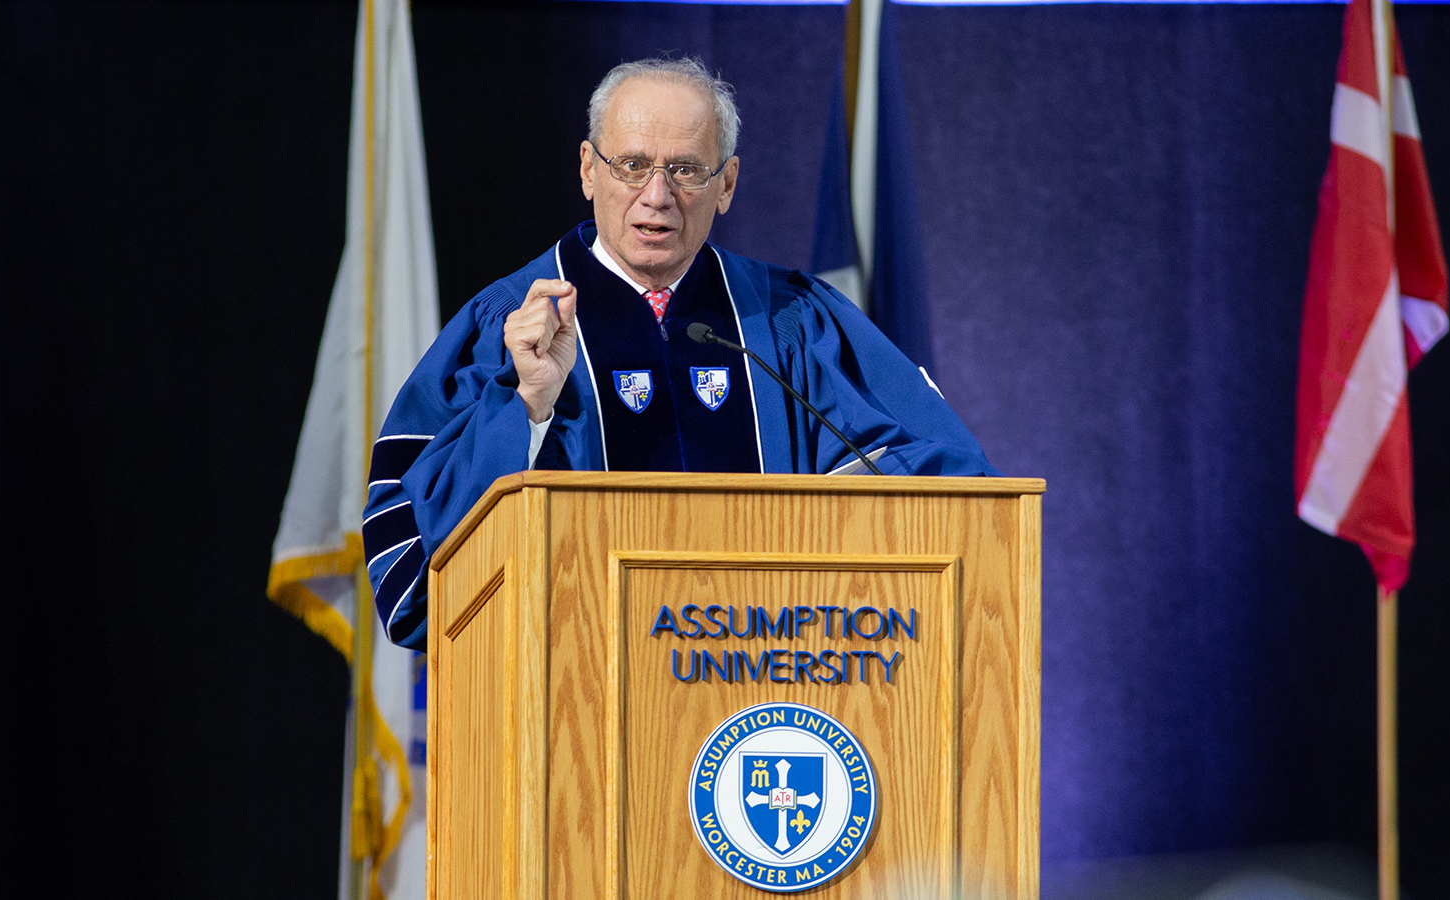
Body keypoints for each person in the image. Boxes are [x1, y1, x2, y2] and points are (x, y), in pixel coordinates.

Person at [362, 57, 998, 650]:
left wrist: (820, 524)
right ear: (588, 169)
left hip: (772, 677)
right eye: (631, 165)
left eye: (687, 169)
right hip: (573, 705)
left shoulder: (791, 323)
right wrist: (524, 408)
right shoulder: (505, 329)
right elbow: (412, 578)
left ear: (727, 183)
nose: (657, 196)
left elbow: (951, 479)